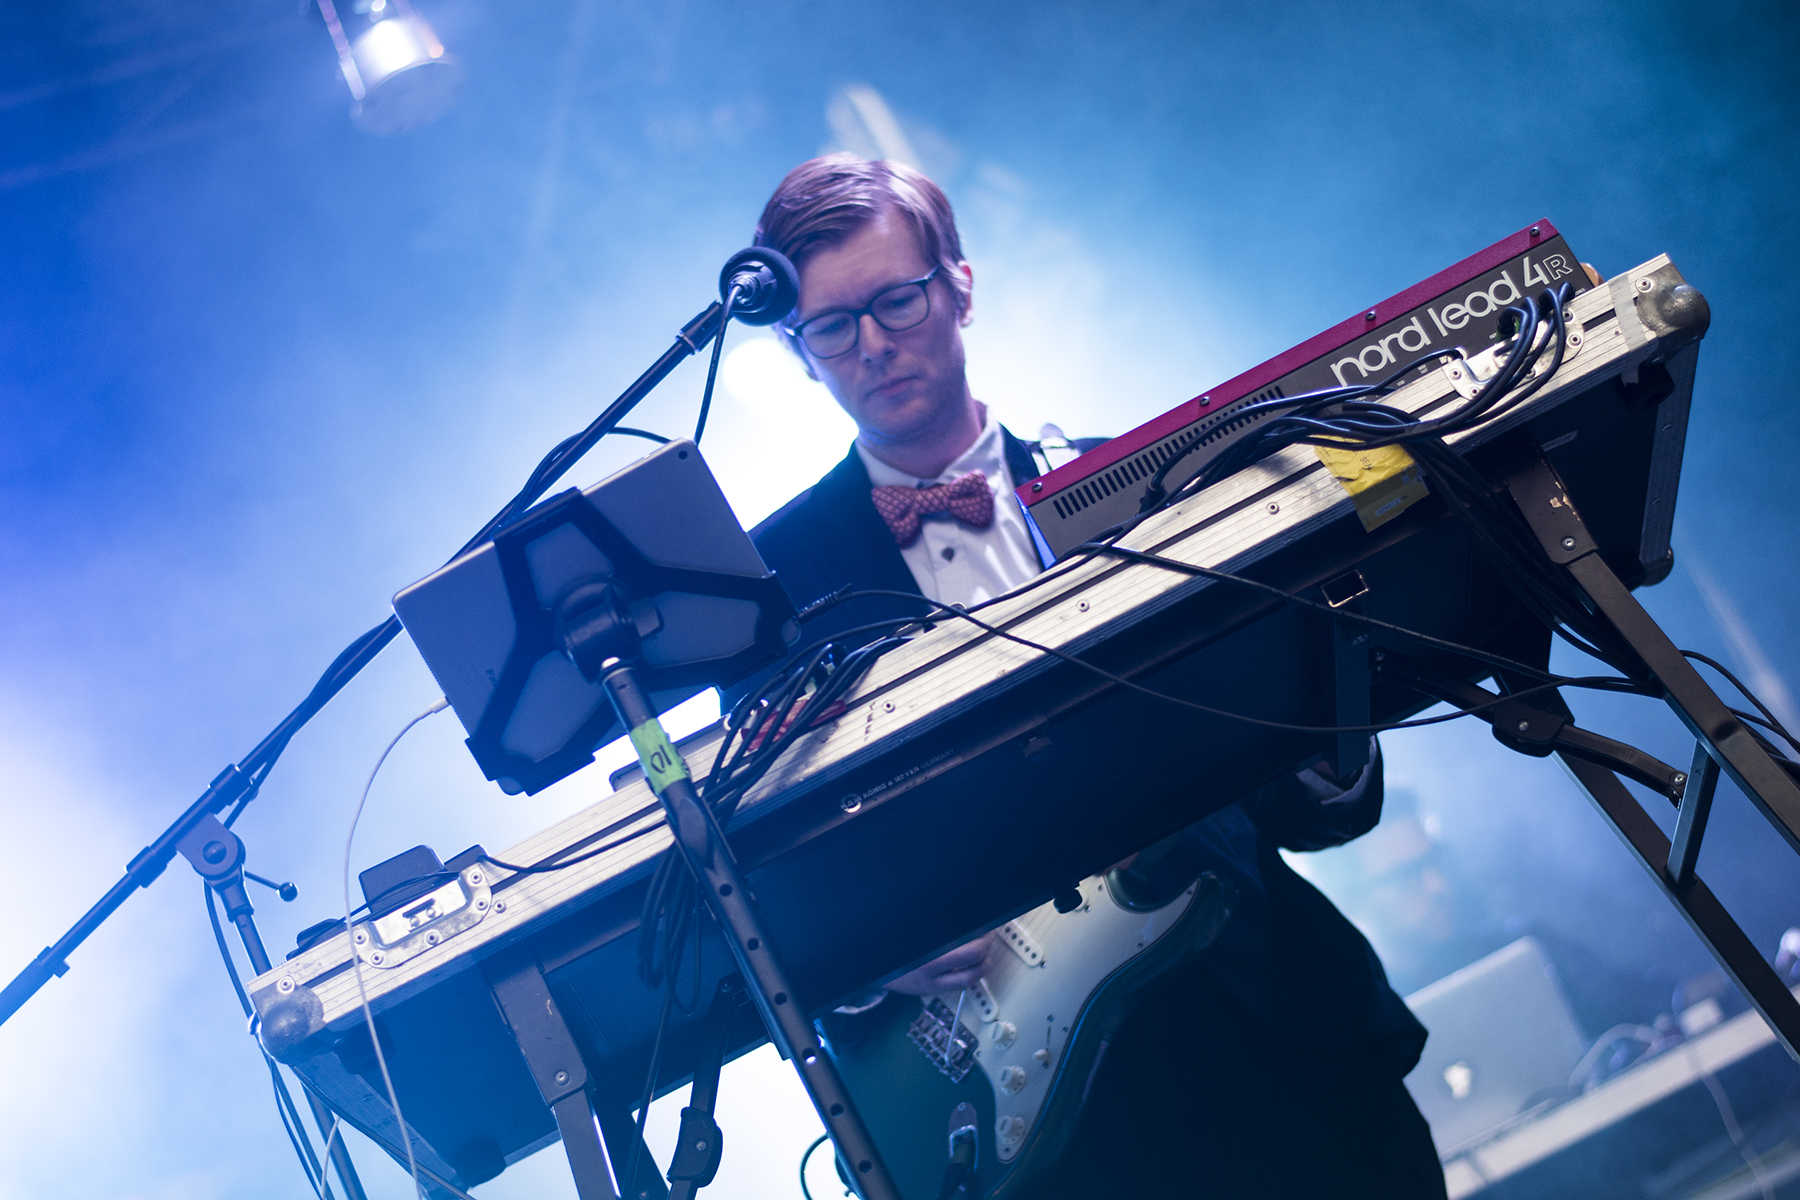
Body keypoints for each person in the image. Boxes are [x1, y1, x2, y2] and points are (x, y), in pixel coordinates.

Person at [739, 154, 1446, 1199]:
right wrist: (868, 957)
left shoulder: (1152, 481)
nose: (873, 346)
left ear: (961, 287)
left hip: (1266, 1014)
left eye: (896, 300)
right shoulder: (770, 585)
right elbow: (756, 859)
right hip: (1019, 1108)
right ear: (799, 355)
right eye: (832, 328)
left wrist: (1331, 695)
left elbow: (1314, 808)